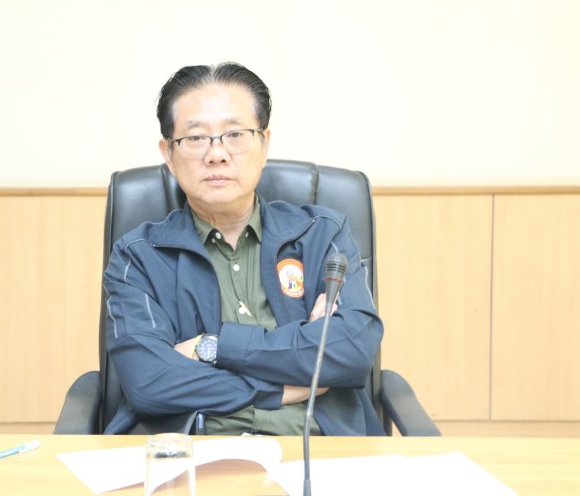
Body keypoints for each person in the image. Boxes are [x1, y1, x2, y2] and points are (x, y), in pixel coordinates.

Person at [102, 62, 384, 436]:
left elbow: (352, 351)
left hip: (318, 448)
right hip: (192, 451)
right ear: (168, 154)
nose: (217, 154)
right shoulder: (138, 256)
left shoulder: (321, 234)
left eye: (235, 134)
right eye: (196, 138)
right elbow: (149, 380)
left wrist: (212, 348)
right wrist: (282, 387)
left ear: (264, 144)